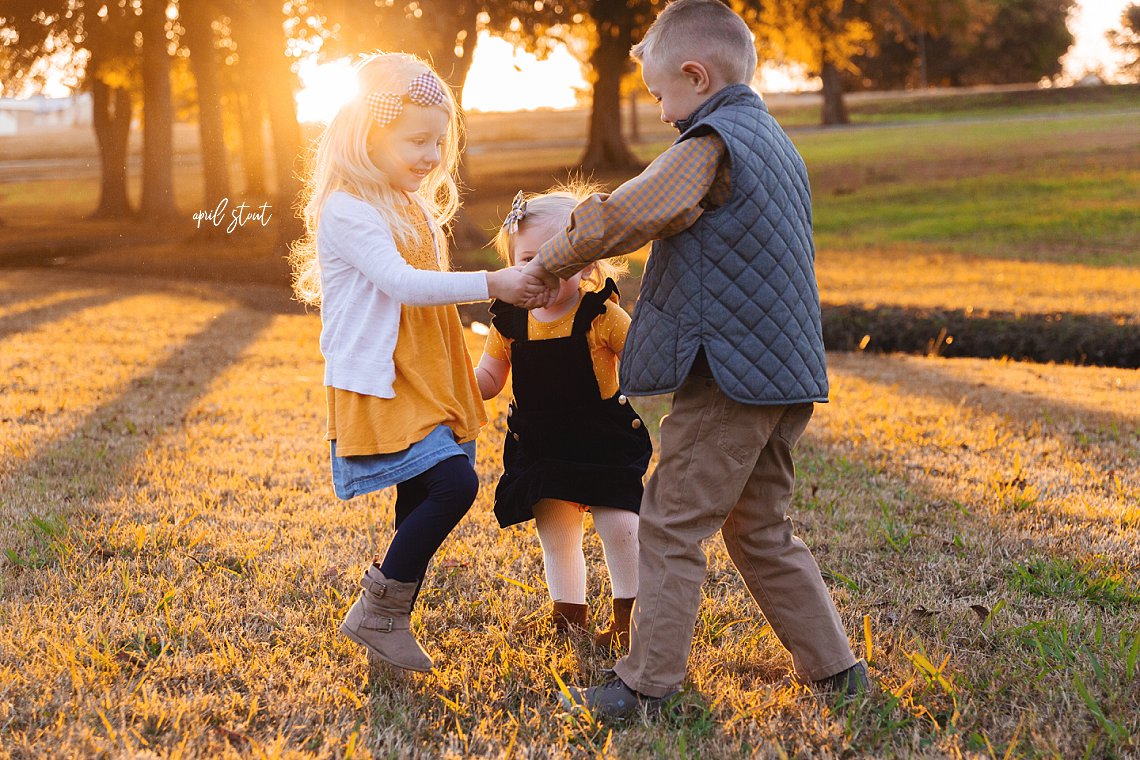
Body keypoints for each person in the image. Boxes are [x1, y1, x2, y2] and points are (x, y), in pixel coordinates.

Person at [521, 0, 869, 717]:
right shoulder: (774, 140)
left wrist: (552, 263)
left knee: (670, 522)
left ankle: (646, 686)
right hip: (782, 374)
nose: (658, 112)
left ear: (696, 75)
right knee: (758, 528)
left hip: (730, 377)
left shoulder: (710, 143)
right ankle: (837, 671)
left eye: (658, 94)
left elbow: (628, 213)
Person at [289, 52, 550, 673]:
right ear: (367, 134)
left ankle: (389, 624)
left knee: (423, 494)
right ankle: (377, 613)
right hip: (386, 377)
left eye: (439, 140)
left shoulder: (411, 203)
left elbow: (428, 290)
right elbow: (402, 284)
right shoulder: (348, 209)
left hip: (426, 368)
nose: (432, 155)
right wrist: (496, 283)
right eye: (416, 140)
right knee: (454, 484)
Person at [475, 186, 653, 649]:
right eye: (529, 260)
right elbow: (490, 378)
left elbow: (641, 361)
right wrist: (452, 383)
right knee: (556, 529)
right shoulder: (509, 320)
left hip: (602, 440)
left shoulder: (602, 315)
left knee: (620, 525)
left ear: (589, 264)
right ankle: (568, 613)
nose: (543, 273)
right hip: (542, 443)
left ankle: (630, 618)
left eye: (560, 260)